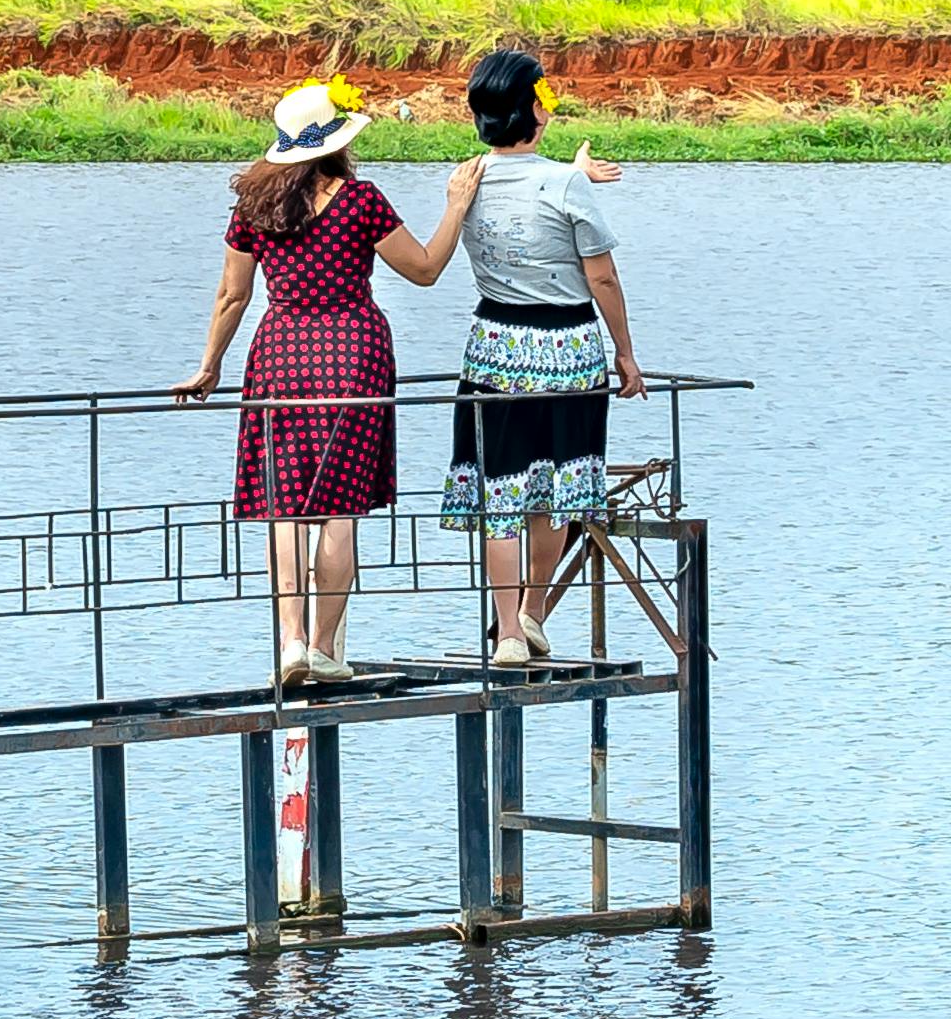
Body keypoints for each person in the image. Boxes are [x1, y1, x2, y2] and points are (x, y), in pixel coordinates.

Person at [186, 80, 455, 687]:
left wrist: (209, 366)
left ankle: (291, 642)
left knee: (286, 508)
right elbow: (425, 270)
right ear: (337, 142)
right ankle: (328, 648)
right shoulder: (362, 201)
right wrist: (457, 207)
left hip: (280, 355)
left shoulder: (255, 205)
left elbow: (233, 295)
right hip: (354, 353)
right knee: (340, 508)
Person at [426, 40, 641, 664]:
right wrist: (626, 354)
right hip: (568, 345)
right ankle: (534, 608)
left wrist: (576, 171)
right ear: (535, 111)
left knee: (502, 492)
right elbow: (602, 278)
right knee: (560, 487)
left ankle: (510, 633)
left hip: (495, 344)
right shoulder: (566, 186)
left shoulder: (465, 181)